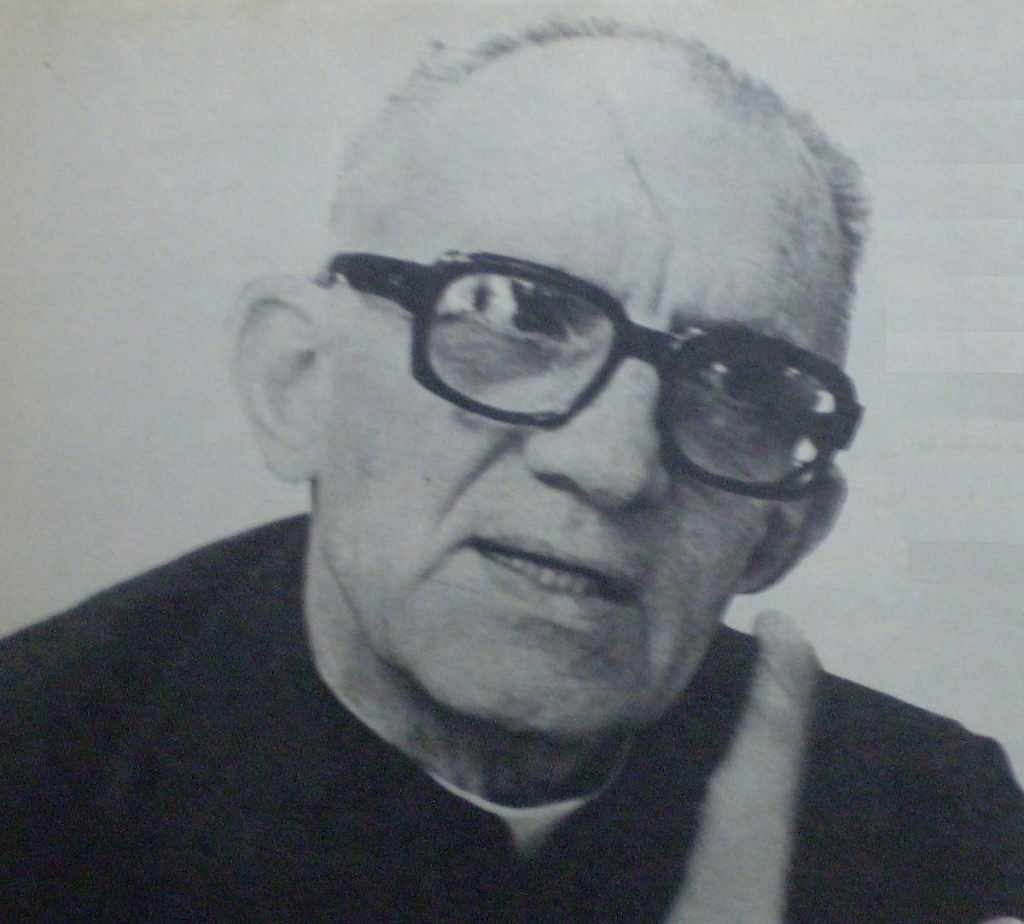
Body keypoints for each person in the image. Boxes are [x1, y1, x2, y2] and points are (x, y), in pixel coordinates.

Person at [2, 17, 1022, 924]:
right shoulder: (30, 778)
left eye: (736, 383)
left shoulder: (935, 829)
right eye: (513, 314)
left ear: (786, 528)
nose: (611, 464)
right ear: (298, 384)